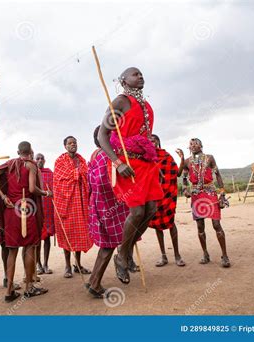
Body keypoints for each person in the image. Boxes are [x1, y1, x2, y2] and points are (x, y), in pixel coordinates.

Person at [98, 67, 163, 284]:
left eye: (142, 73)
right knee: (136, 211)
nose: (140, 76)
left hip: (146, 164)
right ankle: (122, 257)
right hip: (126, 163)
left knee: (151, 209)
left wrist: (155, 164)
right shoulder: (120, 102)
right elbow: (102, 135)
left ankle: (124, 252)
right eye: (135, 74)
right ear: (123, 80)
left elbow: (146, 136)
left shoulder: (145, 104)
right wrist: (116, 163)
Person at [2, 142, 50, 302]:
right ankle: (29, 287)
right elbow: (31, 189)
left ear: (18, 152)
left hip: (11, 211)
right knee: (29, 247)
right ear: (30, 152)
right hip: (26, 210)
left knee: (12, 250)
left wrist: (3, 197)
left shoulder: (8, 164)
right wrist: (44, 192)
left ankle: (9, 291)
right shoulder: (31, 165)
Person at [87, 126, 129, 297]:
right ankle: (95, 284)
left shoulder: (96, 155)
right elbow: (104, 183)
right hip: (108, 206)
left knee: (107, 245)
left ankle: (93, 280)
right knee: (109, 246)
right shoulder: (106, 156)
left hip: (99, 204)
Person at [179, 138, 230, 267]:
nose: (193, 146)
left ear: (201, 146)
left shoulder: (210, 158)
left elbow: (217, 175)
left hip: (210, 193)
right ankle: (205, 254)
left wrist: (222, 191)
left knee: (216, 224)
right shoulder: (186, 162)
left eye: (196, 143)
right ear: (189, 147)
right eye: (191, 144)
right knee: (200, 226)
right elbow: (184, 178)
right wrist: (185, 189)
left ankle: (224, 256)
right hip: (196, 195)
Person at [53, 136, 93, 278]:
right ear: (65, 146)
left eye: (74, 143)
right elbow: (59, 180)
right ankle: (67, 265)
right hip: (67, 204)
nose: (73, 145)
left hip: (81, 203)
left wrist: (80, 174)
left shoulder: (81, 160)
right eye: (70, 143)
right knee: (67, 233)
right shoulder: (60, 161)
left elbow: (87, 176)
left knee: (80, 233)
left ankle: (78, 264)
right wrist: (76, 174)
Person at [147, 134, 185, 267]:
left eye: (154, 140)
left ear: (158, 142)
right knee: (157, 225)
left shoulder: (166, 156)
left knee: (171, 223)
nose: (152, 142)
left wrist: (182, 160)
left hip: (167, 194)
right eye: (149, 140)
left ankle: (177, 255)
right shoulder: (146, 158)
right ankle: (163, 256)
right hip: (153, 196)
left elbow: (177, 173)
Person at [35, 153, 54, 275]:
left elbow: (54, 188)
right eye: (38, 158)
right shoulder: (32, 172)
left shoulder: (49, 173)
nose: (40, 160)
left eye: (42, 158)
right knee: (37, 239)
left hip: (48, 210)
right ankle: (38, 264)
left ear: (45, 160)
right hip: (36, 210)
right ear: (34, 160)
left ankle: (46, 264)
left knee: (47, 238)